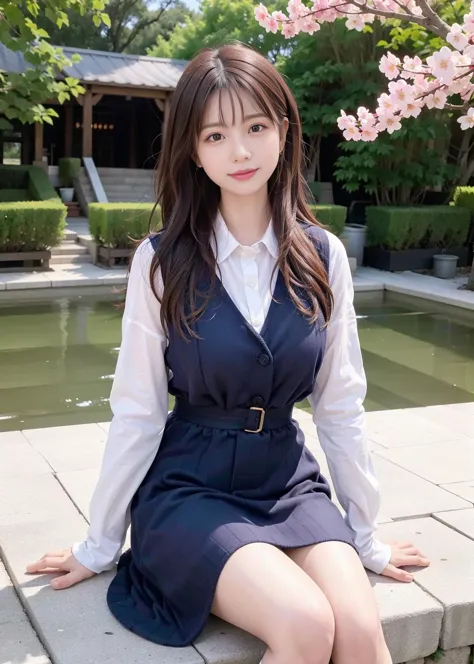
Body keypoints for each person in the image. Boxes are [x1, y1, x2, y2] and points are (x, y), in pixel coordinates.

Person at [26, 43, 430, 664]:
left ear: (284, 131)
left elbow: (340, 404)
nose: (239, 151)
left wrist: (367, 533)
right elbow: (136, 410)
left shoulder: (324, 257)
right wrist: (100, 542)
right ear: (192, 147)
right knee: (304, 624)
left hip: (286, 483)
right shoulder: (160, 262)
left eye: (256, 127)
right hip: (190, 487)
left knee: (358, 632)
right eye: (215, 134)